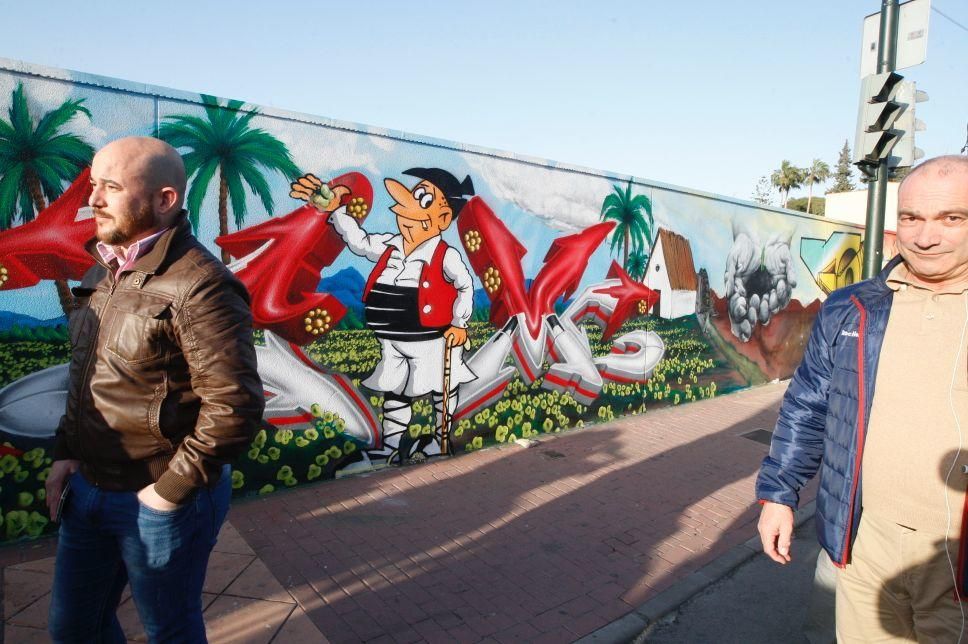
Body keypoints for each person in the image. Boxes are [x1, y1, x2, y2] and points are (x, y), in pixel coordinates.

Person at [45, 137, 264, 643]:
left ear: (165, 199)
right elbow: (87, 374)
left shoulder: (202, 284)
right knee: (74, 628)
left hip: (157, 498)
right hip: (89, 489)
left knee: (169, 630)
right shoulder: (105, 268)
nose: (93, 200)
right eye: (94, 185)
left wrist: (169, 494)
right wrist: (66, 452)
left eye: (112, 188)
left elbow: (235, 407)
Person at [756, 154, 968, 641]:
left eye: (950, 218)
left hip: (957, 566)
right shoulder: (853, 307)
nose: (925, 236)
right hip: (863, 546)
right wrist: (777, 494)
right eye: (911, 218)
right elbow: (809, 404)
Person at [291, 168, 476, 463]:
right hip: (393, 340)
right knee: (396, 391)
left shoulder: (445, 255)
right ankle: (390, 446)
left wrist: (458, 323)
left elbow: (465, 285)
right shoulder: (391, 245)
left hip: (431, 339)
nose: (407, 214)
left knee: (441, 389)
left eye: (423, 202)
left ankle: (441, 442)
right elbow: (359, 241)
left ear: (442, 219)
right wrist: (337, 210)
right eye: (412, 200)